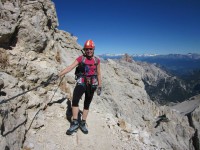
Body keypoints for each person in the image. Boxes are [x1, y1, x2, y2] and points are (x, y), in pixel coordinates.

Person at [57, 39, 102, 135]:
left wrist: (100, 85)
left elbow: (98, 74)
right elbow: (70, 67)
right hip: (81, 82)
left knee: (87, 103)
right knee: (75, 100)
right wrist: (59, 75)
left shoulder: (97, 61)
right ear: (84, 50)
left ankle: (83, 122)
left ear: (93, 49)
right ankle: (75, 122)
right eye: (87, 49)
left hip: (92, 84)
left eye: (90, 49)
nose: (89, 51)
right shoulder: (81, 59)